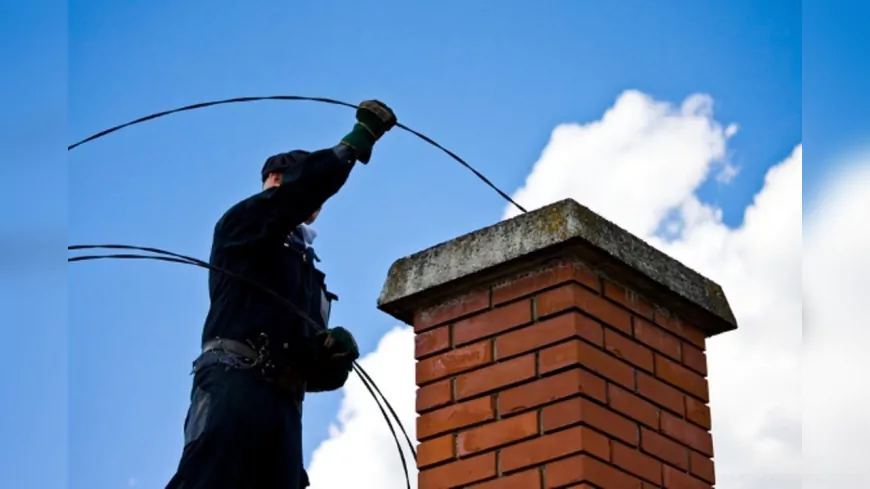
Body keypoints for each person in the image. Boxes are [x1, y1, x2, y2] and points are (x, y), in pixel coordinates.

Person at [165, 100, 398, 489]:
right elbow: (292, 200)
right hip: (232, 386)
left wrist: (331, 357)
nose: (316, 204)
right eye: (309, 188)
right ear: (275, 179)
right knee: (209, 478)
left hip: (283, 410)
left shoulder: (310, 276)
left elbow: (310, 369)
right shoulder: (243, 224)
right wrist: (353, 145)